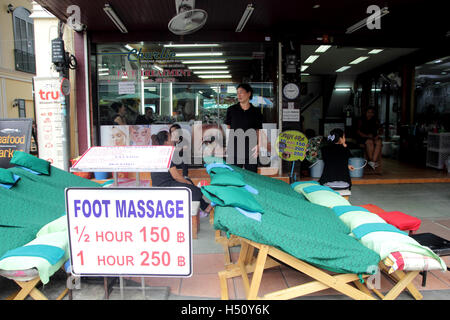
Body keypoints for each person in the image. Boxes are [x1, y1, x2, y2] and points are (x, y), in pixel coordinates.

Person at [151, 130, 212, 217]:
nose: (173, 139)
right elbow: (176, 176)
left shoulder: (161, 153)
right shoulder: (165, 154)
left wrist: (187, 181)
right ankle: (202, 208)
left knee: (188, 181)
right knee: (196, 191)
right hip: (166, 187)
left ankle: (205, 207)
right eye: (170, 137)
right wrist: (188, 183)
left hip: (163, 184)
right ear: (166, 142)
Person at [225, 83, 263, 173]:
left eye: (241, 92)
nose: (239, 95)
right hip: (234, 148)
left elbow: (258, 130)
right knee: (234, 176)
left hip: (251, 149)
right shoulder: (231, 110)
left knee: (252, 176)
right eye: (237, 93)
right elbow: (228, 128)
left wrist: (259, 145)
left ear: (249, 94)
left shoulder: (256, 111)